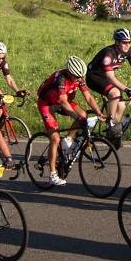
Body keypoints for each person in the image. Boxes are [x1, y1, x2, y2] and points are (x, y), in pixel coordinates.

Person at [34, 55, 100, 187]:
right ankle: (52, 175)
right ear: (69, 72)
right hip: (47, 103)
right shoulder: (61, 78)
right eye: (76, 77)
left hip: (62, 101)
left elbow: (88, 96)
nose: (79, 79)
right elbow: (63, 102)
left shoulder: (79, 77)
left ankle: (68, 140)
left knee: (83, 114)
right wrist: (77, 118)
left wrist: (99, 112)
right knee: (54, 138)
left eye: (81, 77)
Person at [87, 27, 131, 129]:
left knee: (121, 106)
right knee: (115, 93)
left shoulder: (129, 51)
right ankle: (110, 123)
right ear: (117, 42)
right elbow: (111, 77)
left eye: (129, 42)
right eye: (124, 42)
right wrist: (127, 90)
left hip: (106, 77)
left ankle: (113, 133)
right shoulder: (108, 55)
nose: (127, 45)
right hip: (94, 77)